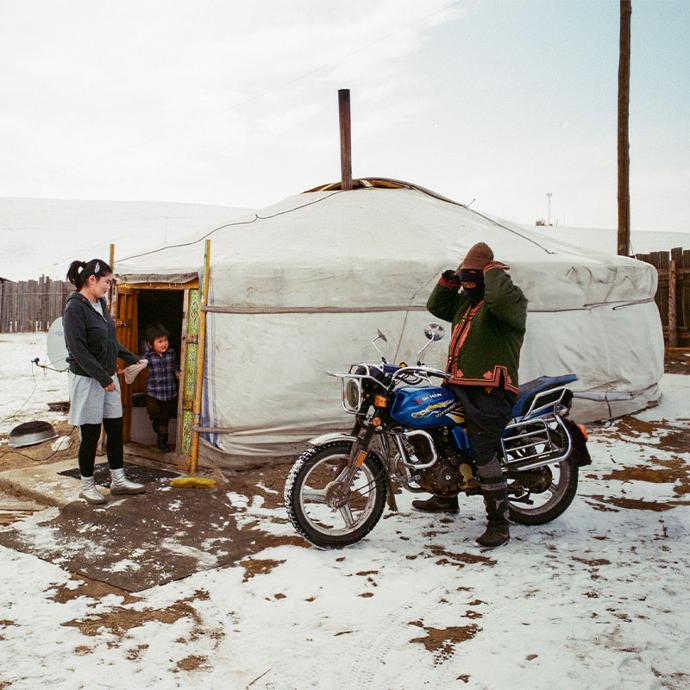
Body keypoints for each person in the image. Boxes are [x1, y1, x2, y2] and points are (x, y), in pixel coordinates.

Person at [414, 242, 528, 548]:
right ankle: (446, 498)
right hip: (456, 386)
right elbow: (436, 307)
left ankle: (499, 523)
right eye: (465, 277)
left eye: (473, 277)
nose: (468, 283)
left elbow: (501, 297)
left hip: (491, 390)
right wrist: (449, 282)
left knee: (482, 450)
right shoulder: (465, 305)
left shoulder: (509, 304)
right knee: (434, 433)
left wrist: (491, 271)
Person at [63, 258, 147, 504]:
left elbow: (109, 340)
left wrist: (132, 358)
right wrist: (102, 378)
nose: (108, 287)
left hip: (107, 376)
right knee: (90, 434)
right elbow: (78, 349)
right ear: (92, 279)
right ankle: (87, 484)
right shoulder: (75, 308)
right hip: (88, 378)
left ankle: (118, 479)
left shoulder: (100, 303)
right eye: (107, 282)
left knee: (114, 427)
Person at [142, 322, 180, 452]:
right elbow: (138, 365)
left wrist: (177, 372)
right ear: (150, 344)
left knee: (165, 417)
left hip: (169, 391)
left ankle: (162, 442)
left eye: (165, 340)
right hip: (153, 391)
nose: (164, 344)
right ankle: (154, 421)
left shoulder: (171, 353)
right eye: (160, 341)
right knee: (152, 410)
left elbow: (175, 365)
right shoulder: (147, 357)